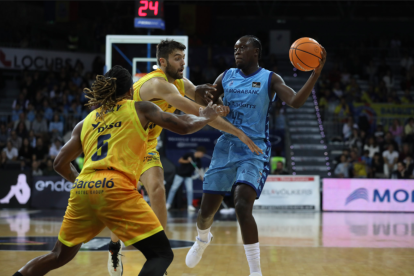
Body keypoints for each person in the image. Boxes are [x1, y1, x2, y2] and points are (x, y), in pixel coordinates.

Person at [11, 65, 225, 276]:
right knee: (161, 255)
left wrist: (79, 181)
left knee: (57, 255)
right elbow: (184, 125)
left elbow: (59, 163)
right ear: (130, 91)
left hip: (84, 186)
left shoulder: (86, 121)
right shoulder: (141, 108)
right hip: (116, 186)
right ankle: (117, 249)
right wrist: (206, 115)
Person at [107, 39, 262, 275]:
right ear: (162, 61)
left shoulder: (180, 82)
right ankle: (114, 246)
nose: (183, 62)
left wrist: (216, 99)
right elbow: (198, 111)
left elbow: (202, 99)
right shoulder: (157, 84)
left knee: (158, 190)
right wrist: (236, 131)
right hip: (122, 145)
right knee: (123, 202)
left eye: (183, 56)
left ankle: (158, 258)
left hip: (146, 147)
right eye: (177, 58)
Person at [186, 35, 327, 276]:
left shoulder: (270, 78)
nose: (237, 51)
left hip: (254, 149)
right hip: (225, 146)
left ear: (256, 52)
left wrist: (314, 74)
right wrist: (216, 103)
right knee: (206, 211)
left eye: (242, 47)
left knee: (242, 204)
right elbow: (205, 97)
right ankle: (202, 239)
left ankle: (255, 272)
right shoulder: (226, 76)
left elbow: (294, 101)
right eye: (235, 48)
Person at [166, 146, 206, 211]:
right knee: (173, 188)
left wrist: (202, 177)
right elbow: (180, 160)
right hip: (180, 175)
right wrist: (187, 161)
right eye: (202, 154)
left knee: (190, 190)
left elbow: (199, 170)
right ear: (198, 152)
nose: (202, 155)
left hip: (188, 176)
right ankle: (168, 204)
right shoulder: (189, 154)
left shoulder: (198, 161)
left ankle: (189, 205)